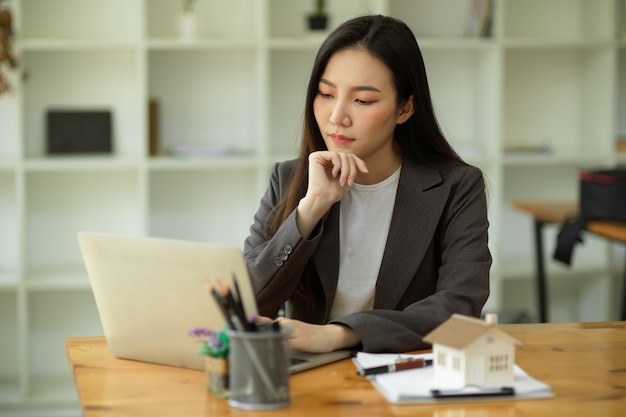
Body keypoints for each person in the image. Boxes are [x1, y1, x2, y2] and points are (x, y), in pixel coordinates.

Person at [243, 15, 491, 354]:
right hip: (312, 380)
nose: (337, 116)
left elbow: (461, 306)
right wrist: (310, 210)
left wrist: (339, 334)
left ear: (404, 108)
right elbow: (249, 304)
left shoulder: (457, 186)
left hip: (403, 372)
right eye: (326, 93)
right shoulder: (289, 180)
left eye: (363, 101)